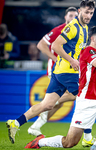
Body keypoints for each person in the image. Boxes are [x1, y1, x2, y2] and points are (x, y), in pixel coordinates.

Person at [6, 0, 96, 147]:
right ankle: (87, 136)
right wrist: (72, 61)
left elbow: (78, 50)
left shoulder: (85, 28)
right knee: (87, 98)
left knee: (46, 105)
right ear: (80, 11)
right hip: (67, 72)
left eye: (91, 13)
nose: (89, 15)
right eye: (86, 12)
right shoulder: (72, 27)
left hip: (59, 73)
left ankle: (16, 122)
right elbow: (55, 45)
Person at [27, 6, 78, 136]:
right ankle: (35, 122)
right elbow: (40, 45)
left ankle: (35, 126)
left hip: (67, 70)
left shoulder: (77, 31)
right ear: (65, 17)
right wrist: (55, 58)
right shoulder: (59, 30)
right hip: (56, 70)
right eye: (70, 16)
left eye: (75, 16)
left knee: (61, 102)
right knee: (71, 95)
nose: (73, 18)